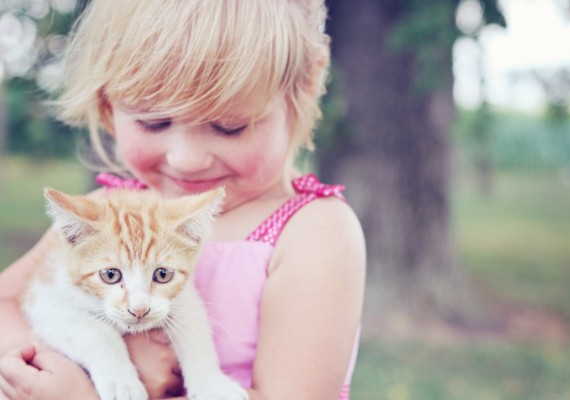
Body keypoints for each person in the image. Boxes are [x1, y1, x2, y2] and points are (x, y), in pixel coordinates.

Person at [0, 0, 366, 399]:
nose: (187, 160)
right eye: (154, 122)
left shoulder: (313, 232)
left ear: (306, 85)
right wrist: (71, 365)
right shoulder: (108, 211)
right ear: (107, 103)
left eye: (229, 127)